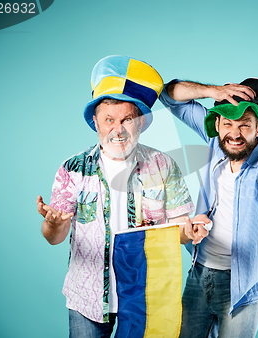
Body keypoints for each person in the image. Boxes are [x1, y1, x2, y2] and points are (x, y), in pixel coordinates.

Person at [36, 55, 207, 338]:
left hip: (147, 296)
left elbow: (179, 229)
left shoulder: (163, 165)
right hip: (88, 298)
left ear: (139, 123)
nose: (118, 129)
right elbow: (54, 237)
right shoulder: (73, 169)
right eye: (109, 120)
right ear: (96, 123)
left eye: (127, 119)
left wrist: (192, 230)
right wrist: (53, 225)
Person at [159, 77, 258, 338]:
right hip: (199, 273)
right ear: (217, 124)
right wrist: (212, 90)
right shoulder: (217, 142)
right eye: (228, 124)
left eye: (244, 125)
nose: (234, 134)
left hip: (242, 286)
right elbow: (169, 96)